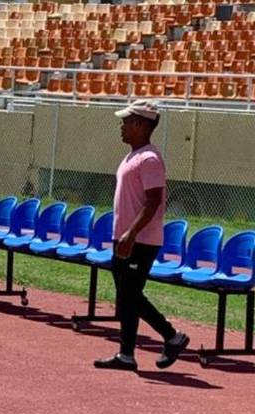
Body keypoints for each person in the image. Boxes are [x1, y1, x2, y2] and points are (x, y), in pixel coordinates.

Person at [94, 100, 189, 372]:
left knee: (130, 295)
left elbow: (153, 202)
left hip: (140, 241)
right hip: (125, 237)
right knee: (126, 296)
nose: (121, 127)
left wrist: (131, 234)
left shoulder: (149, 159)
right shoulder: (132, 156)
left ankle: (172, 336)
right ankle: (126, 355)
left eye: (126, 121)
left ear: (140, 124)